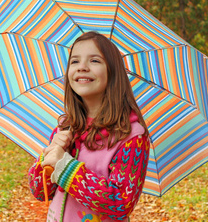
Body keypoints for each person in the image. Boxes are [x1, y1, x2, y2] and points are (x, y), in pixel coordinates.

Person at [28, 31, 150, 222]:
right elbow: (39, 191)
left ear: (113, 72)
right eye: (74, 61)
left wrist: (66, 167)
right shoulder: (66, 127)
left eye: (94, 61)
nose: (82, 67)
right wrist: (51, 152)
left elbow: (121, 203)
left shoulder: (131, 136)